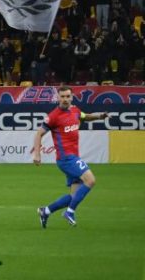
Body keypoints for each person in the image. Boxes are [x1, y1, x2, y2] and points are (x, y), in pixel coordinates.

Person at [33, 86, 109, 228]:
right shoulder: (54, 116)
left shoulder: (75, 110)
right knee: (91, 180)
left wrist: (100, 116)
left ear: (72, 97)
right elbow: (39, 133)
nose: (65, 99)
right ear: (58, 98)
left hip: (73, 156)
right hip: (66, 158)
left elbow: (85, 117)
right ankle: (70, 212)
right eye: (62, 96)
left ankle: (46, 211)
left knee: (74, 196)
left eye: (68, 96)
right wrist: (37, 154)